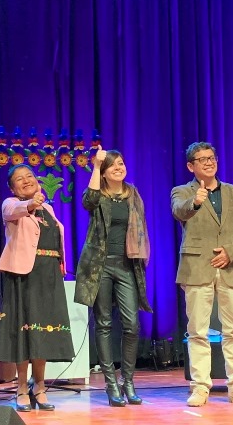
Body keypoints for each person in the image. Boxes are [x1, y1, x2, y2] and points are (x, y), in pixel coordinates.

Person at [171, 142, 233, 407]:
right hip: (197, 267)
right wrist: (195, 202)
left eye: (211, 157)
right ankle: (200, 387)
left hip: (230, 267)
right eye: (202, 159)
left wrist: (230, 252)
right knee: (198, 331)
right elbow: (179, 210)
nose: (208, 162)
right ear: (191, 166)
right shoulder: (182, 191)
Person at [0, 164, 74, 412]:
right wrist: (30, 204)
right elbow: (16, 211)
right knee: (25, 333)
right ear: (12, 188)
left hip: (49, 275)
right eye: (20, 179)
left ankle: (39, 386)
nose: (26, 180)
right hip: (24, 275)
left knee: (44, 333)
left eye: (29, 176)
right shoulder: (10, 205)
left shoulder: (48, 208)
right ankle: (21, 388)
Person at [75, 146, 151, 407]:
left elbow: (140, 229)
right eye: (112, 165)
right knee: (104, 323)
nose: (119, 168)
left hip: (127, 264)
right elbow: (88, 201)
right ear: (105, 173)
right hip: (101, 265)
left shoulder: (132, 194)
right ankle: (110, 384)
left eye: (121, 163)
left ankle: (127, 381)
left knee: (132, 324)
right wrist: (96, 166)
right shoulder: (99, 195)